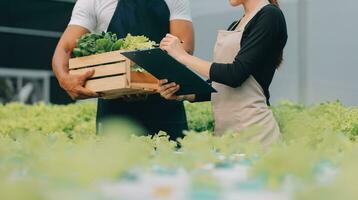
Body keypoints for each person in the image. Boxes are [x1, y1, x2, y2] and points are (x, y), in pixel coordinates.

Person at [52, 0, 194, 140]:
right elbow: (66, 48)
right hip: (113, 106)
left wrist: (142, 83)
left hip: (166, 101)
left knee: (171, 160)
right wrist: (64, 79)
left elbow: (183, 46)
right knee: (115, 162)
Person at [159, 0, 288, 147]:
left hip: (256, 135)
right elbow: (220, 86)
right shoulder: (236, 24)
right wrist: (183, 94)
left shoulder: (270, 15)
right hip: (225, 137)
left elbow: (235, 75)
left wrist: (183, 56)